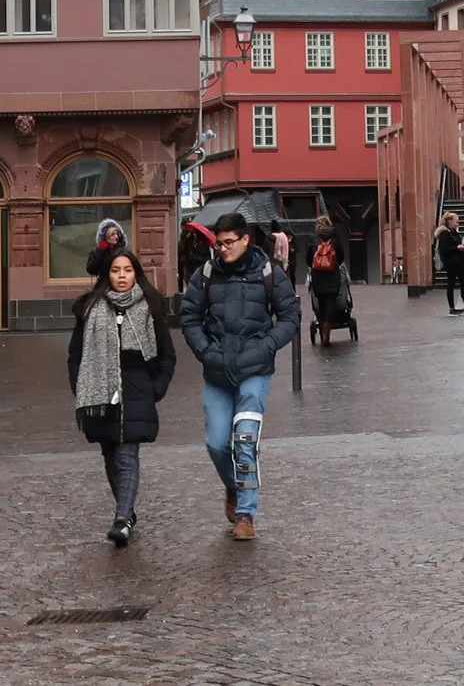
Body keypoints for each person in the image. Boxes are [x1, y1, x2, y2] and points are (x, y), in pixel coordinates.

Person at [177, 211, 298, 542]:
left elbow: (289, 316)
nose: (222, 249)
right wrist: (206, 352)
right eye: (219, 243)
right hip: (217, 371)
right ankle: (232, 487)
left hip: (254, 371)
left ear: (246, 240)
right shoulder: (206, 274)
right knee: (217, 443)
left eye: (229, 242)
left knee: (244, 439)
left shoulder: (268, 273)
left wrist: (265, 348)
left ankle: (246, 513)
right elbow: (189, 317)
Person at [65, 248, 176, 548]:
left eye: (127, 270)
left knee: (127, 455)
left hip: (137, 391)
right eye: (116, 271)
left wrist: (156, 388)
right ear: (107, 275)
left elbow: (167, 356)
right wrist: (81, 385)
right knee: (110, 454)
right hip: (99, 393)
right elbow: (76, 353)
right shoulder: (91, 309)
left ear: (135, 273)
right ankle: (126, 510)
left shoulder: (150, 307)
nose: (122, 276)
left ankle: (122, 518)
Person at [433, 212, 464, 313]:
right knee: (451, 284)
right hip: (451, 263)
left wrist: (463, 249)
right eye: (456, 221)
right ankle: (452, 307)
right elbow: (444, 249)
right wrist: (457, 248)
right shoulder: (445, 234)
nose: (458, 223)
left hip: (459, 262)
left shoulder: (455, 233)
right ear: (449, 222)